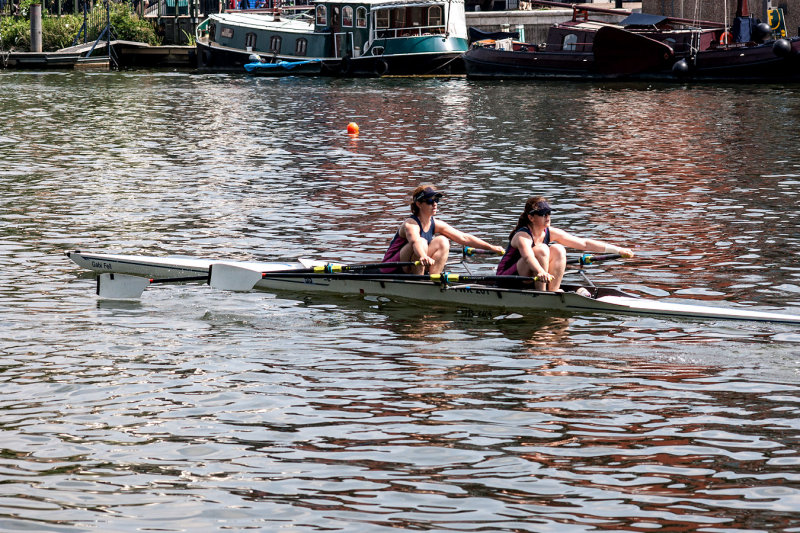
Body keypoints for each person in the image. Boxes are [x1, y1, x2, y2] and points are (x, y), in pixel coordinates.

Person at [497, 196, 634, 291]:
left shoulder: (550, 232)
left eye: (549, 213)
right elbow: (528, 257)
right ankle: (542, 293)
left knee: (558, 249)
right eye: (543, 214)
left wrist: (618, 250)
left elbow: (584, 244)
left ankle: (553, 291)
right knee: (542, 249)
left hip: (530, 276)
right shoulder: (522, 236)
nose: (547, 217)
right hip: (507, 278)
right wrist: (540, 271)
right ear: (531, 217)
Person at [382, 185, 505, 274]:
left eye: (436, 200)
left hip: (415, 263)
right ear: (419, 204)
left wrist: (491, 247)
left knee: (443, 240)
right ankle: (418, 282)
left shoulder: (435, 223)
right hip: (392, 268)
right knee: (422, 241)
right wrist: (423, 256)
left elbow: (463, 237)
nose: (434, 204)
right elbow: (415, 242)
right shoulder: (410, 224)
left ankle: (433, 279)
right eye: (430, 201)